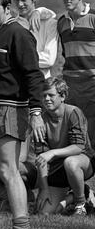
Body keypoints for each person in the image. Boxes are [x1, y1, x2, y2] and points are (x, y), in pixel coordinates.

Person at [0, 0, 45, 229]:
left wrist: (36, 111)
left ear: (8, 10)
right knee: (8, 169)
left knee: (9, 169)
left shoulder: (18, 33)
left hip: (12, 108)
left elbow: (33, 74)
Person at [35, 77, 95, 216]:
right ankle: (80, 193)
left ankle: (81, 203)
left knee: (71, 162)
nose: (47, 99)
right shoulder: (41, 121)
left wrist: (53, 153)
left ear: (62, 96)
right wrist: (43, 189)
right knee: (44, 212)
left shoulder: (73, 112)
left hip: (82, 162)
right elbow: (41, 158)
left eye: (51, 95)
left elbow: (79, 146)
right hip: (57, 169)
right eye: (44, 96)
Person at [57, 0, 95, 150]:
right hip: (71, 87)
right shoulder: (62, 22)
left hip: (92, 84)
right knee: (77, 135)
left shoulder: (93, 17)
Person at [11, 0, 58, 79]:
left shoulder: (50, 24)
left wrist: (17, 57)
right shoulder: (11, 25)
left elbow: (49, 60)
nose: (20, 4)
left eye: (24, 0)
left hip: (42, 85)